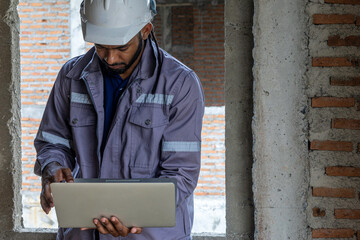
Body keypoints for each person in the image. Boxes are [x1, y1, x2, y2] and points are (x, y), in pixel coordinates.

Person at [33, 0, 204, 239]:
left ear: (145, 29)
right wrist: (53, 170)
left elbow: (181, 173)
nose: (111, 58)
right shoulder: (71, 77)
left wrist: (136, 215)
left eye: (122, 47)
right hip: (83, 232)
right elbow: (52, 143)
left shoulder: (180, 84)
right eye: (101, 47)